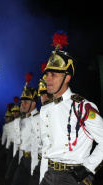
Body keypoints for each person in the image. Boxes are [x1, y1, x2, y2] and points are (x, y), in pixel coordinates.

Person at [40, 31, 103, 185]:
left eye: (53, 74)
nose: (47, 78)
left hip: (74, 176)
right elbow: (46, 151)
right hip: (49, 175)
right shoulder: (45, 109)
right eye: (47, 74)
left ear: (67, 78)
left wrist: (88, 168)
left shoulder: (82, 107)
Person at [11, 73, 40, 185]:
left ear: (33, 103)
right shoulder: (21, 120)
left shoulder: (40, 119)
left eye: (26, 102)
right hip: (23, 159)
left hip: (36, 161)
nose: (22, 105)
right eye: (21, 102)